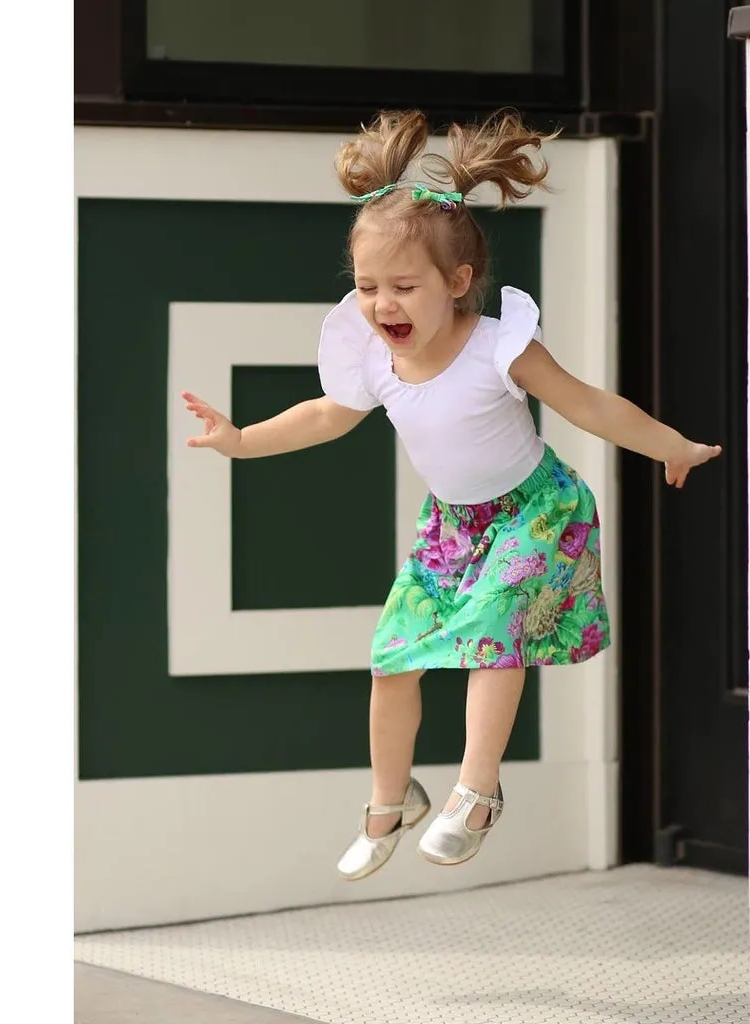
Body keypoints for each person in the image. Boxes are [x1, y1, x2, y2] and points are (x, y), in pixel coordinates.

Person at [181, 109, 721, 881]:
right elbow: (326, 416)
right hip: (451, 530)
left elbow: (587, 404)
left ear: (458, 282)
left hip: (535, 510)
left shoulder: (499, 346)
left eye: (404, 287)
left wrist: (672, 446)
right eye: (367, 287)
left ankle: (476, 791)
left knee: (493, 633)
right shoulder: (371, 357)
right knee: (392, 659)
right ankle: (390, 801)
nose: (382, 305)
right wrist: (241, 439)